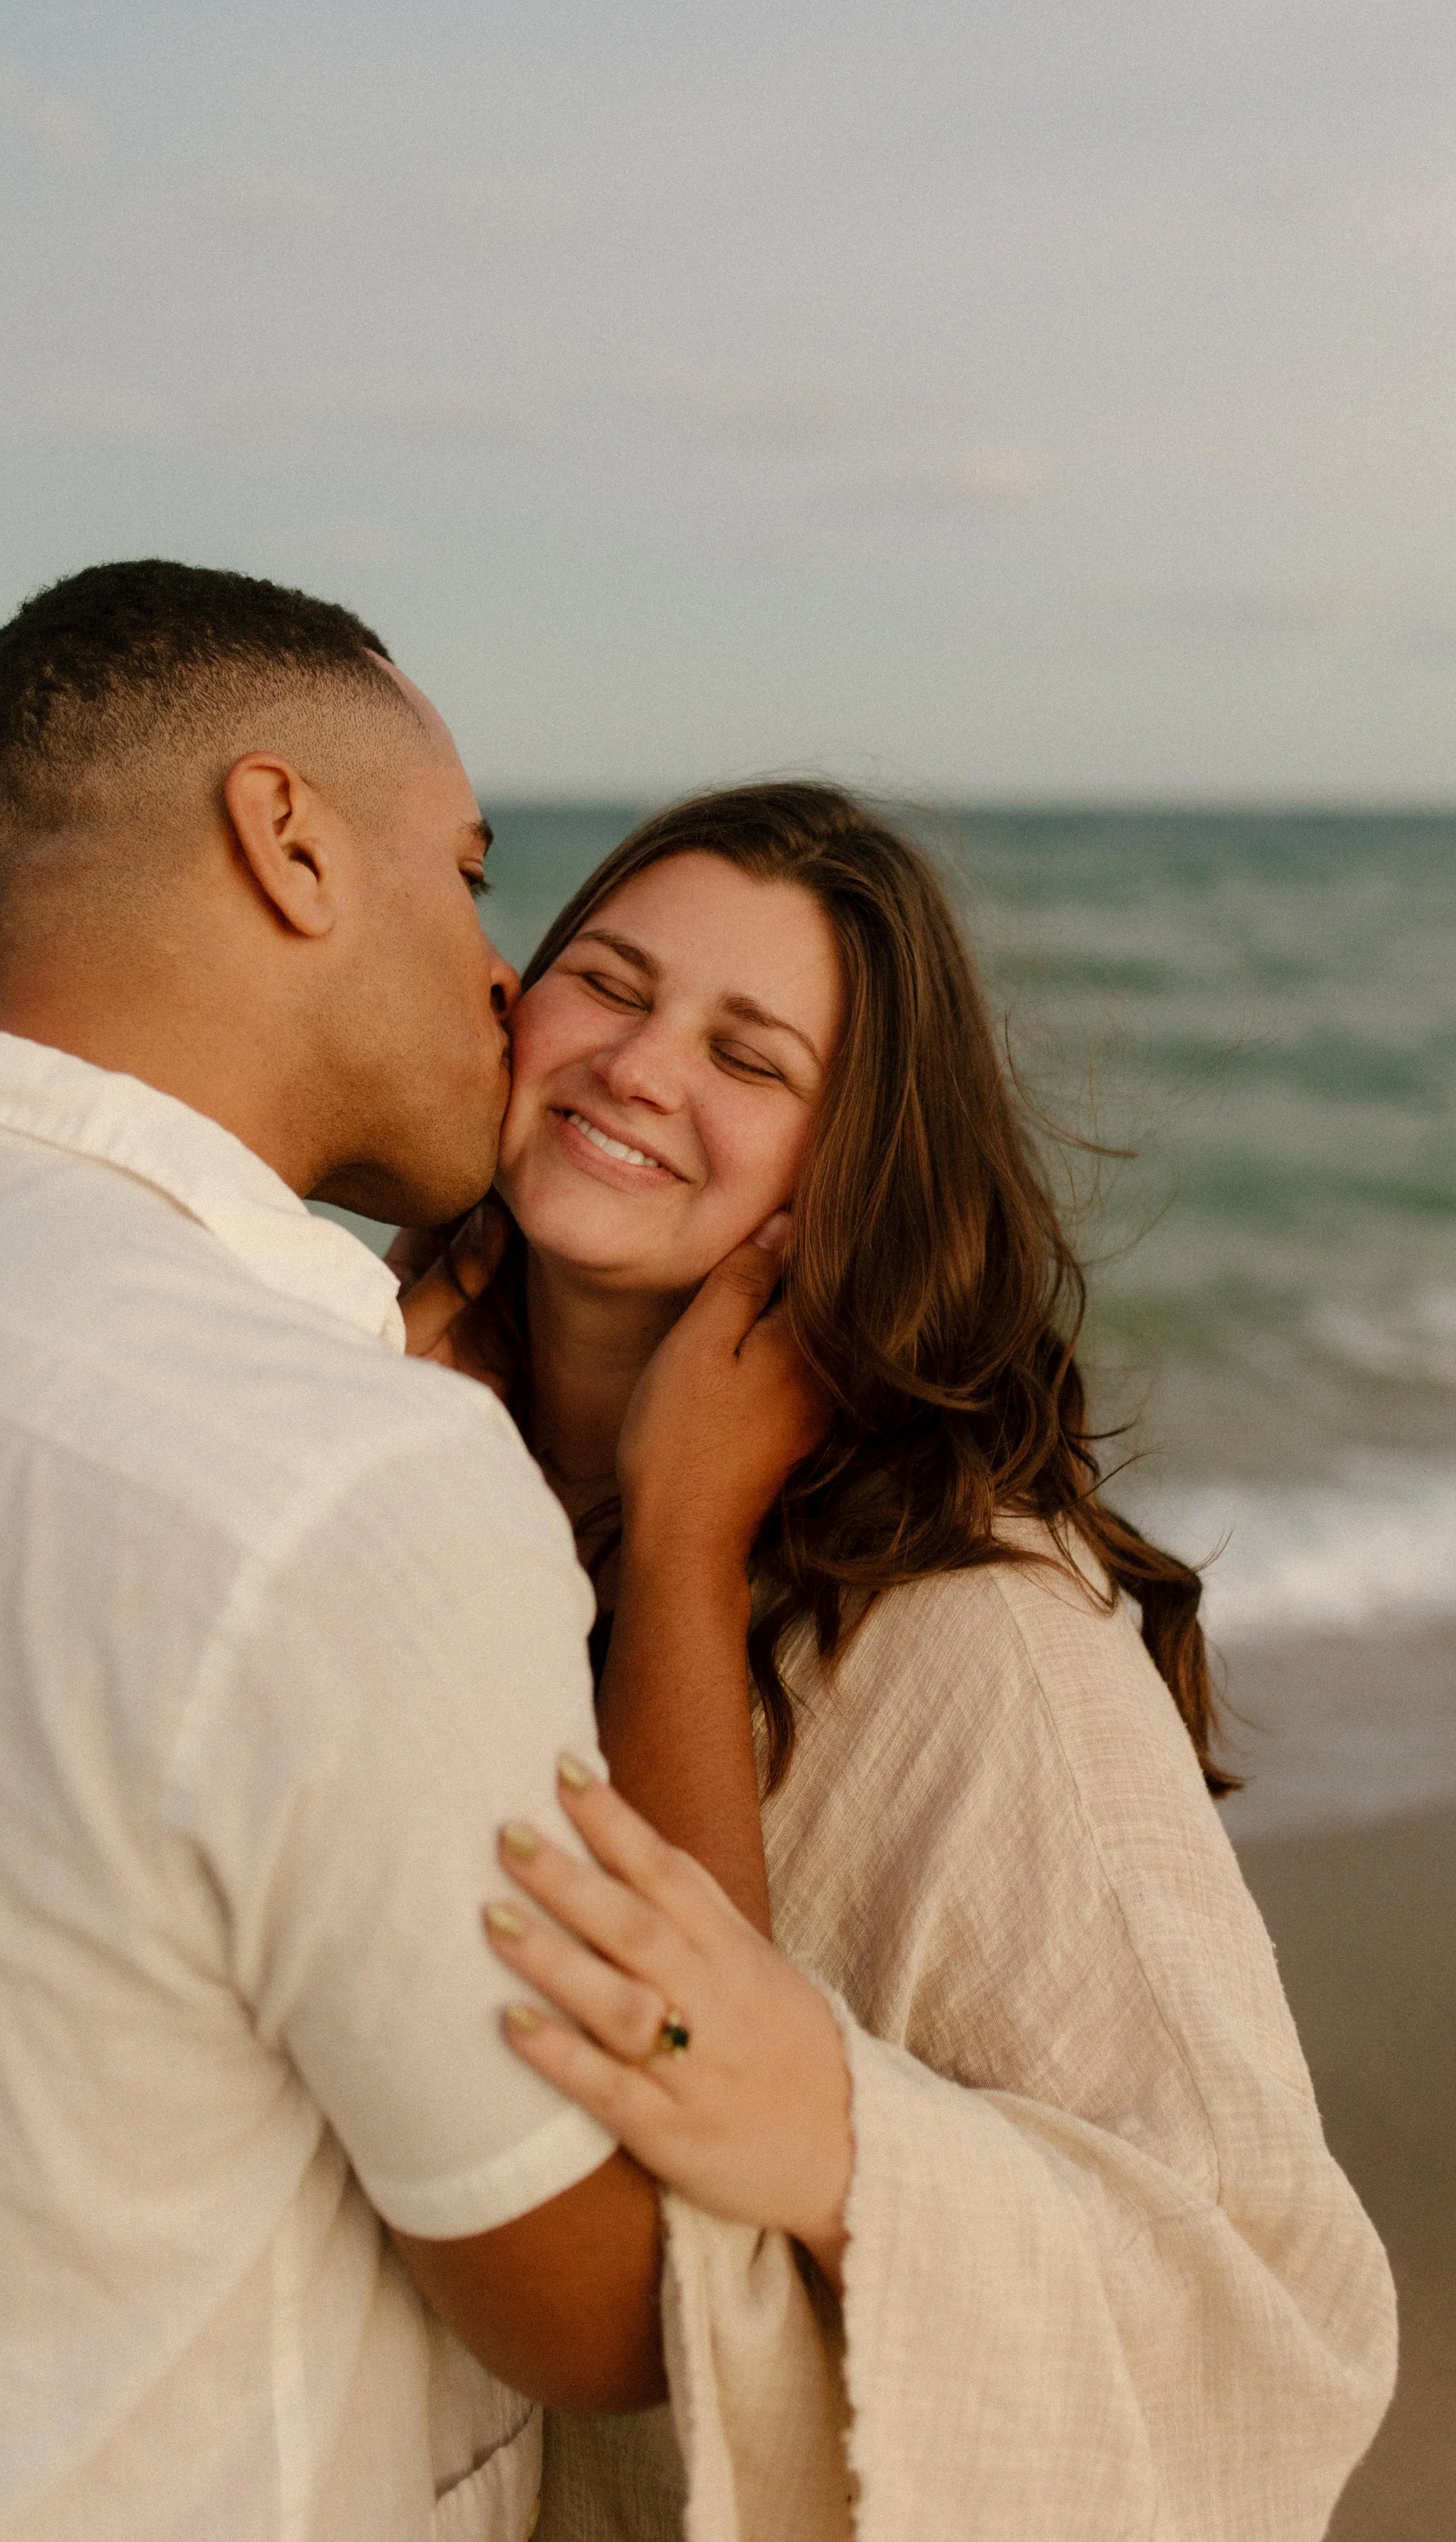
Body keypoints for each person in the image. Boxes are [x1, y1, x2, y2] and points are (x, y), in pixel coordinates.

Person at [0, 564, 814, 2542]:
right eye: (472, 873)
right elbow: (608, 2302)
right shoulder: (339, 1480)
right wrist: (679, 1545)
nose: (507, 977)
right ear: (288, 839)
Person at [408, 784, 1398, 2539]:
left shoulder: (983, 1631)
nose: (640, 1066)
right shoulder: (403, 1459)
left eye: (751, 1055)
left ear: (844, 1172)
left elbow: (1269, 2312)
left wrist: (839, 2133)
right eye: (610, 983)